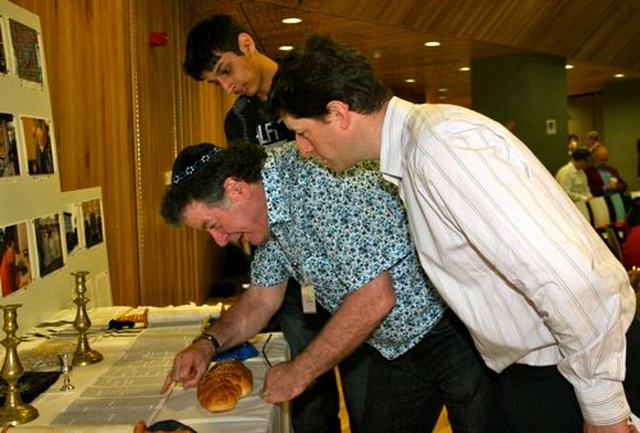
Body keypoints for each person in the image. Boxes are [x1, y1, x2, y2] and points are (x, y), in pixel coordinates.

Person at [268, 34, 640, 433]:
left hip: (576, 366)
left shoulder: (439, 148)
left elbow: (567, 278)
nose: (303, 149)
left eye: (302, 132)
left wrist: (604, 408)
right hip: (548, 365)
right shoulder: (419, 147)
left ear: (339, 113)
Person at [160, 142, 499, 433]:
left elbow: (374, 299)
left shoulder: (317, 180)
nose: (219, 241)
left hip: (454, 328)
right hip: (393, 345)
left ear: (236, 189)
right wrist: (207, 344)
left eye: (214, 225)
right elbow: (261, 299)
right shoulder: (267, 211)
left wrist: (299, 372)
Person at [182, 15, 363, 433]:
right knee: (308, 401)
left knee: (363, 388)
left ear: (247, 43)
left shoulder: (310, 88)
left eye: (225, 70)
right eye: (215, 82)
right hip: (289, 271)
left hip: (347, 261)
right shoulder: (238, 123)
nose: (227, 86)